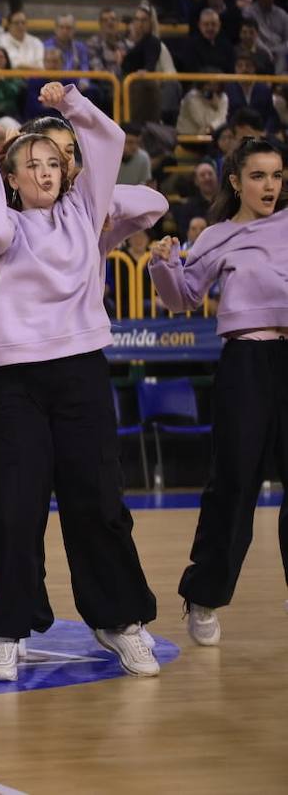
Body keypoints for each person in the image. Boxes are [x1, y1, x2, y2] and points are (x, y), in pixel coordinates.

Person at [0, 81, 159, 683]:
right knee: (14, 509)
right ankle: (11, 626)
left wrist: (69, 105)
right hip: (14, 381)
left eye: (54, 163)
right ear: (13, 180)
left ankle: (120, 620)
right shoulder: (0, 229)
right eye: (32, 165)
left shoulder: (85, 209)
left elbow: (112, 139)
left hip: (79, 372)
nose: (45, 173)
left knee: (97, 502)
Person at [148, 138, 286, 645]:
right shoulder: (218, 236)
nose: (269, 186)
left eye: (276, 175)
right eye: (258, 176)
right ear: (236, 181)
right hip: (246, 361)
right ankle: (204, 596)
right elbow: (182, 297)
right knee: (234, 483)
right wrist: (164, 263)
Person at [244, 0, 288, 72]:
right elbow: (250, 36)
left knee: (283, 55)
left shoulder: (283, 14)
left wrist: (277, 50)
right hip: (257, 50)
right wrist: (266, 51)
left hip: (279, 52)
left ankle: (278, 83)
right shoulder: (248, 12)